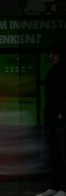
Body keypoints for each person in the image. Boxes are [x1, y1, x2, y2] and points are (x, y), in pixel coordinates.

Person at [42, 45, 65, 196]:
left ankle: (63, 188)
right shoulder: (52, 72)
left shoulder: (59, 72)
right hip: (51, 118)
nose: (51, 56)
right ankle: (55, 187)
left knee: (63, 154)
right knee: (54, 154)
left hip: (61, 118)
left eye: (54, 54)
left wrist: (64, 112)